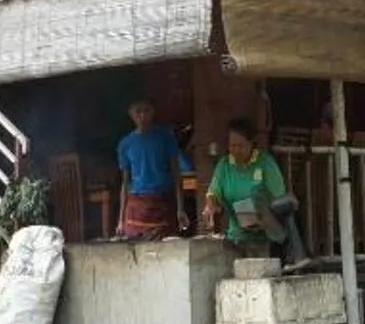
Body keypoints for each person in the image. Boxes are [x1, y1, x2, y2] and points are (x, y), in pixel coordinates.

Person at [201, 116, 306, 265]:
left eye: (241, 145)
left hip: (264, 239)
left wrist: (262, 219)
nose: (236, 150)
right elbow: (213, 192)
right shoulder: (224, 165)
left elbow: (278, 199)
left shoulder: (265, 162)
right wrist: (210, 206)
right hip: (236, 237)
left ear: (251, 143)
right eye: (232, 146)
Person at [114, 97, 187, 240]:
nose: (142, 116)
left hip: (162, 202)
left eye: (146, 111)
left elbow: (176, 174)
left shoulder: (166, 137)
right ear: (131, 114)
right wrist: (120, 221)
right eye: (138, 112)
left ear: (153, 112)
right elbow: (126, 182)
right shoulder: (125, 144)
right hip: (136, 205)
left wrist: (180, 209)